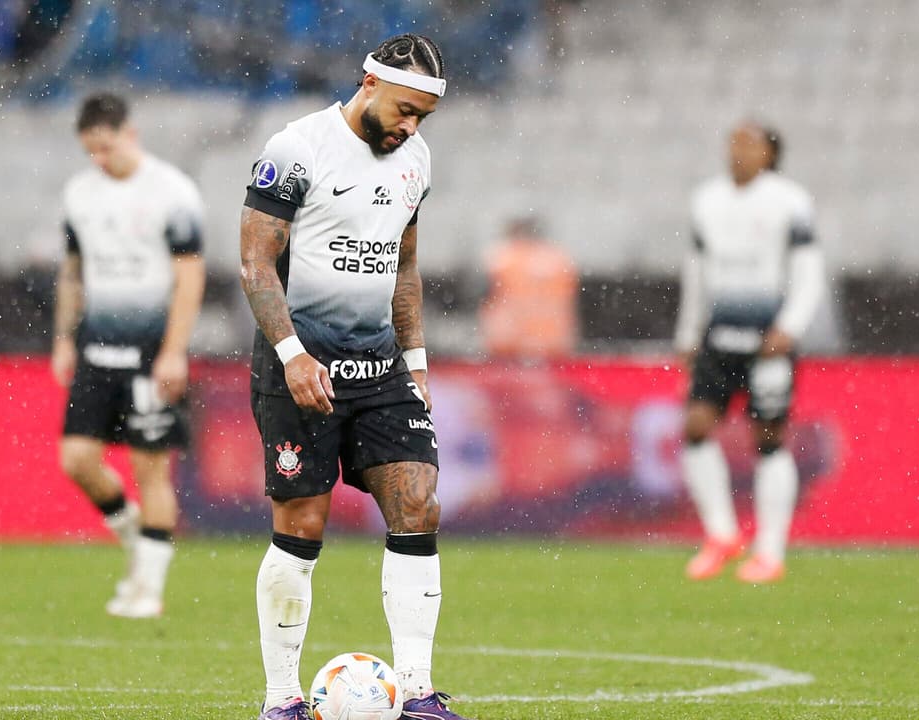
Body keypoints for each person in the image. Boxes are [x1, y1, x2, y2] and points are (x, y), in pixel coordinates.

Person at [240, 34, 472, 720]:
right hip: (300, 367)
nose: (411, 127)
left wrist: (417, 362)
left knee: (418, 502)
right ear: (369, 84)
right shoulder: (295, 149)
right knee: (302, 525)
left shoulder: (416, 160)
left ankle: (418, 691)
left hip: (380, 367)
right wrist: (292, 355)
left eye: (423, 117)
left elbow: (404, 266)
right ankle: (282, 698)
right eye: (405, 110)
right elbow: (255, 263)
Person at [52, 93, 205, 619]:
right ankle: (138, 541)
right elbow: (73, 272)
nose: (99, 158)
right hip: (96, 348)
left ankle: (148, 590)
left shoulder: (172, 192)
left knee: (150, 469)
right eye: (90, 151)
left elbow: (189, 277)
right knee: (76, 459)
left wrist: (174, 352)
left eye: (106, 147)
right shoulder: (79, 194)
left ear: (129, 134)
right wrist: (64, 338)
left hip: (150, 352)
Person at [674, 121, 825, 584]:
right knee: (696, 427)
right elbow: (696, 272)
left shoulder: (791, 201)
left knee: (769, 439)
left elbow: (809, 271)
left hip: (767, 339)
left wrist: (790, 327)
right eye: (733, 141)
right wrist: (688, 333)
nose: (737, 150)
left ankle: (770, 551)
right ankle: (722, 535)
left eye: (748, 143)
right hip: (720, 336)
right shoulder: (706, 200)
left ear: (769, 153)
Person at [478, 215, 579, 359]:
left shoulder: (501, 259)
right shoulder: (559, 260)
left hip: (508, 343)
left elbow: (486, 297)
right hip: (553, 343)